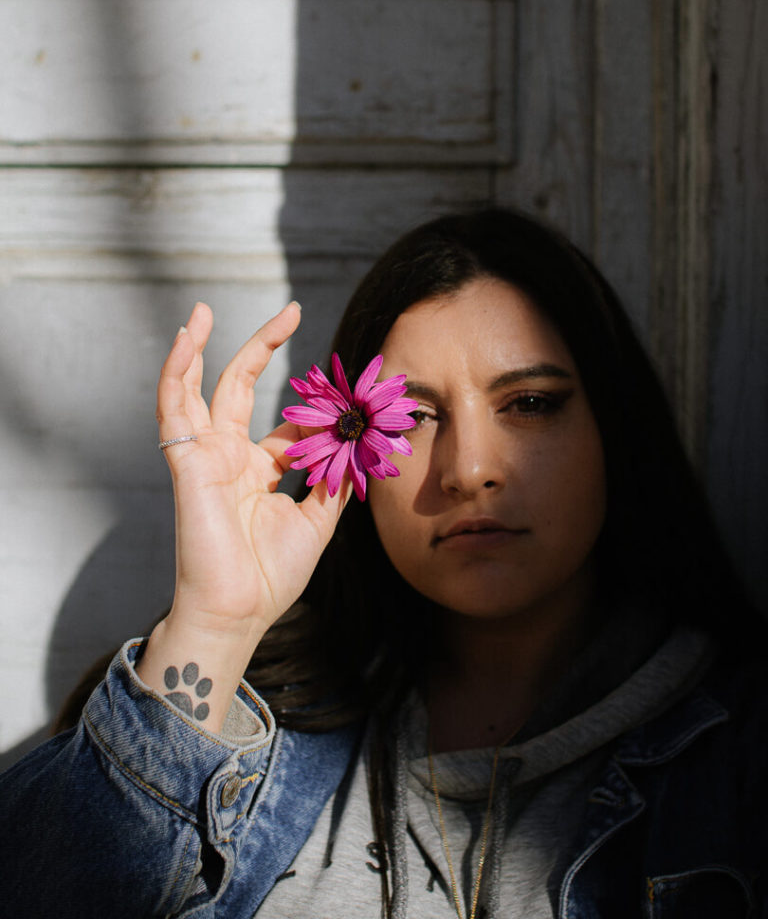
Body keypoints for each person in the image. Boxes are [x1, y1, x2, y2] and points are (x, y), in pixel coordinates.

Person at [2, 208, 767, 918]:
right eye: (416, 417)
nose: (469, 470)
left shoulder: (737, 757)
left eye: (529, 403)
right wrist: (213, 624)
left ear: (614, 429)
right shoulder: (241, 745)